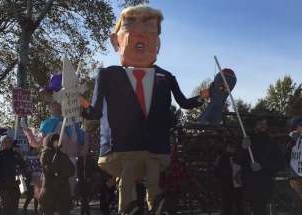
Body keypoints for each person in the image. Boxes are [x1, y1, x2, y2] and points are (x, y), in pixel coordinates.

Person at [79, 4, 211, 212]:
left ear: (157, 43)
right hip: (121, 148)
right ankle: (128, 207)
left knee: (152, 177)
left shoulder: (166, 77)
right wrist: (79, 102)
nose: (140, 33)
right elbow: (94, 112)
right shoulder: (107, 75)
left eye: (150, 29)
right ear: (116, 41)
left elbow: (184, 103)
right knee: (128, 173)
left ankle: (156, 203)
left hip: (155, 148)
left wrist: (204, 97)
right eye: (130, 26)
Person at [238, 117, 283, 215]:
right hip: (250, 182)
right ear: (254, 126)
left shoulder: (272, 143)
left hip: (266, 182)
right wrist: (243, 148)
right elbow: (238, 160)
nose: (263, 126)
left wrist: (263, 167)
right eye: (260, 123)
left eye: (265, 123)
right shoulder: (248, 140)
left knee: (263, 209)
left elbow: (279, 163)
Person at [39, 133, 75, 215]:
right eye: (55, 140)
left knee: (64, 211)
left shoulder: (63, 155)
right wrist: (56, 169)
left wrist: (61, 173)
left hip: (63, 190)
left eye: (58, 140)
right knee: (48, 211)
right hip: (50, 189)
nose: (57, 142)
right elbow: (48, 169)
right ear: (50, 141)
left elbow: (72, 170)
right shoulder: (45, 154)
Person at [0, 135, 27, 215]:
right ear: (1, 144)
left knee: (14, 208)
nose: (7, 143)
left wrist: (23, 174)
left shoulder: (17, 155)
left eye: (9, 142)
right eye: (5, 142)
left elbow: (24, 167)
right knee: (5, 207)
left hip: (16, 186)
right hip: (3, 186)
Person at [214, 142, 244, 215]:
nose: (232, 149)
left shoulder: (237, 156)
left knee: (237, 205)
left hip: (235, 184)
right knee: (229, 205)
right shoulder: (223, 157)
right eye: (230, 147)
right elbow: (218, 171)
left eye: (233, 147)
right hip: (229, 184)